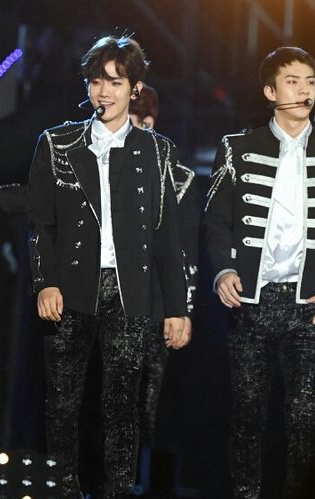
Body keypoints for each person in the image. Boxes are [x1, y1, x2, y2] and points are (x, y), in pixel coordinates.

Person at [203, 47, 315, 499]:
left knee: (303, 419)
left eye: (310, 81)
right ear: (270, 91)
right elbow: (216, 220)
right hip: (251, 302)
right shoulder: (237, 147)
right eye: (292, 81)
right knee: (247, 416)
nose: (304, 89)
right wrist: (223, 270)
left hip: (311, 305)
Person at [27, 35, 190, 499]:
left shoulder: (157, 151)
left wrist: (177, 307)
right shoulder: (57, 143)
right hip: (70, 289)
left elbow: (168, 237)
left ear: (134, 88)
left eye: (115, 83)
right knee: (62, 403)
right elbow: (41, 222)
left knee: (122, 405)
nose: (104, 91)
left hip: (129, 293)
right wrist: (45, 282)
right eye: (96, 81)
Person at [128, 84, 199, 449]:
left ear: (148, 123)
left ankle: (137, 476)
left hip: (155, 307)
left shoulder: (181, 179)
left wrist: (182, 310)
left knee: (146, 406)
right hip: (101, 302)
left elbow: (187, 249)